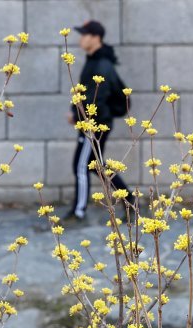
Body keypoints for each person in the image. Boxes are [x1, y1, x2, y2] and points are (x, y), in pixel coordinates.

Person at [62, 20, 132, 224]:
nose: (81, 39)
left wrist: (77, 118)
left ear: (95, 38)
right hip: (93, 122)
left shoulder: (101, 64)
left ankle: (79, 211)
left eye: (84, 34)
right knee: (95, 166)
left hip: (94, 124)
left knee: (81, 166)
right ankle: (129, 198)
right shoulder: (95, 59)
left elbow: (97, 99)